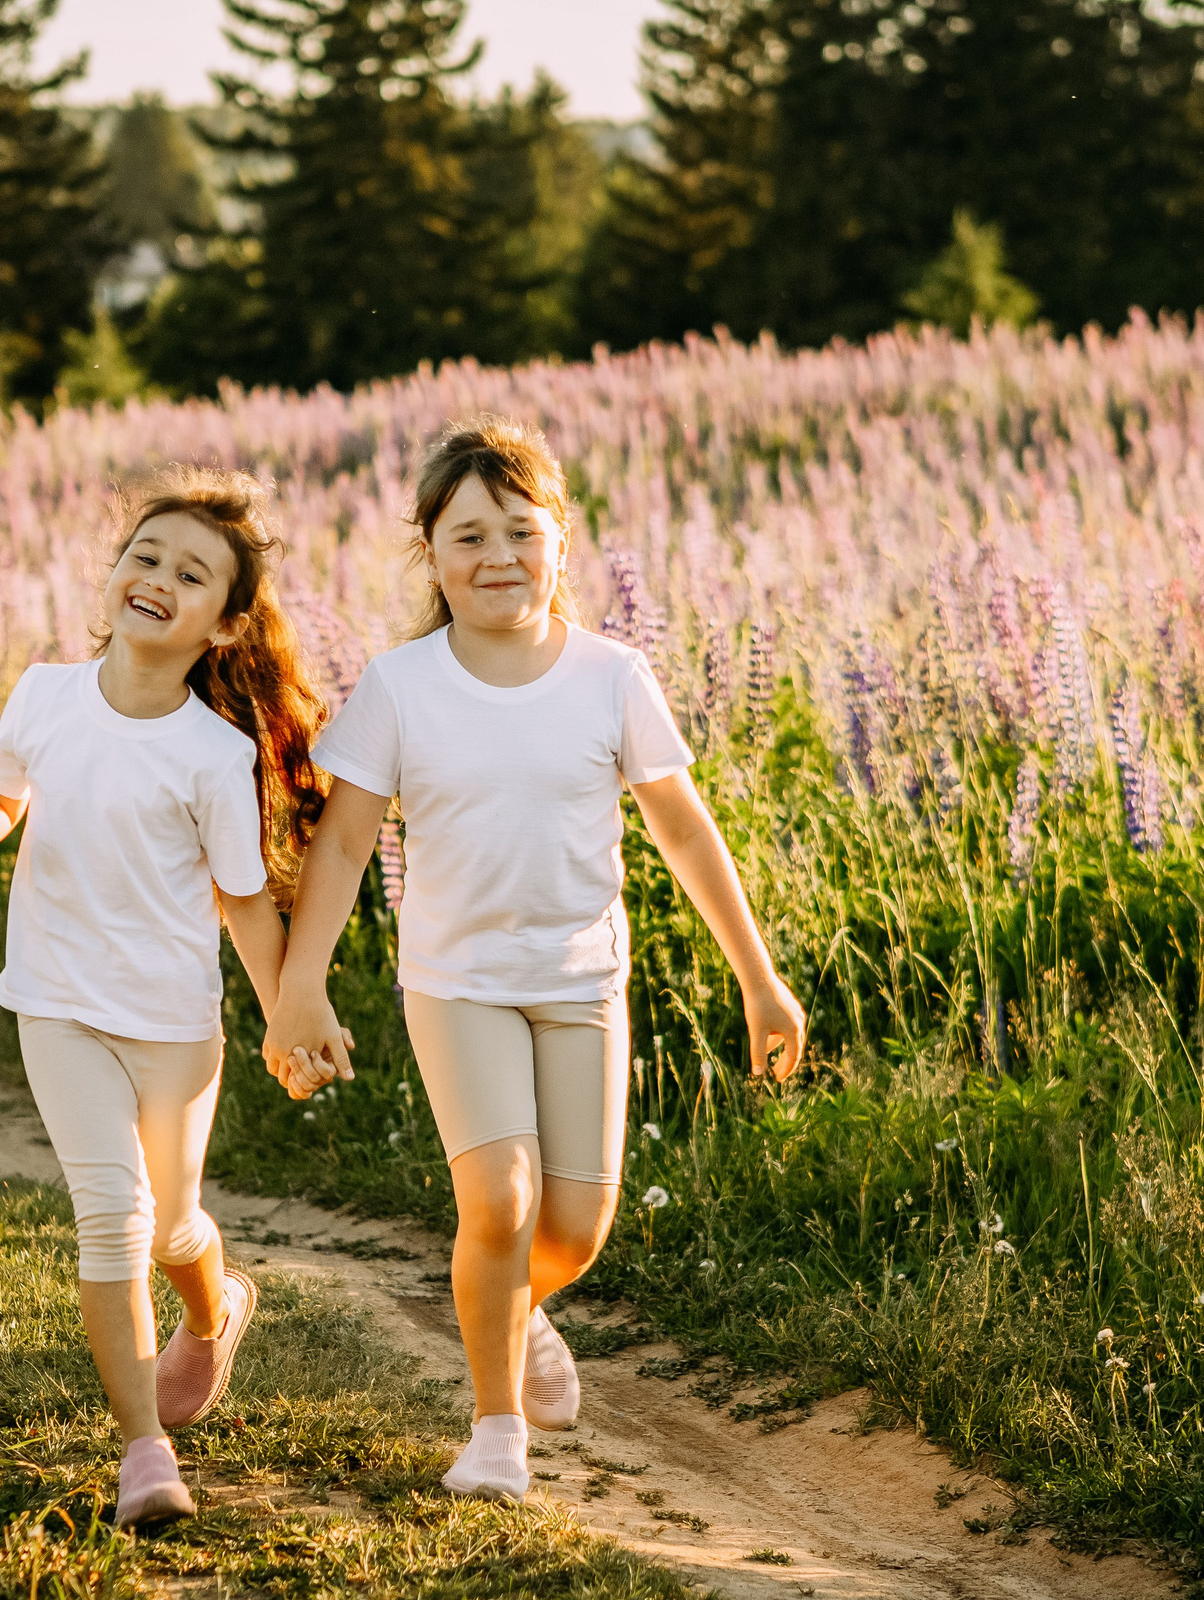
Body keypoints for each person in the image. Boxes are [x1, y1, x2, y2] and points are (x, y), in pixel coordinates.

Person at [261, 415, 806, 1503]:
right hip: (457, 983)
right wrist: (300, 982)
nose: (495, 554)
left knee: (575, 1227)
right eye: (466, 536)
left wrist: (757, 975)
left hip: (581, 982)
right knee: (500, 1204)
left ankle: (508, 1301)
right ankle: (495, 1427)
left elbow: (684, 831)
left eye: (518, 529)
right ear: (431, 554)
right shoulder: (401, 685)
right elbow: (348, 839)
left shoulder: (611, 675)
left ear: (560, 541)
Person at [0, 466, 325, 1531]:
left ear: (223, 625)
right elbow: (5, 783)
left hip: (172, 1027)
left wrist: (292, 1010)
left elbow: (245, 905)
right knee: (111, 1216)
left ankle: (220, 1300)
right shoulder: (45, 691)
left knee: (174, 1225)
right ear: (111, 574)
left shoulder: (214, 753)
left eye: (189, 572)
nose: (155, 576)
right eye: (143, 555)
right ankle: (143, 1453)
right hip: (57, 1003)